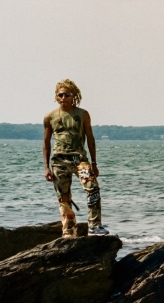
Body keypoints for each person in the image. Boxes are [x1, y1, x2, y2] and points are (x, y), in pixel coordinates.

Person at [42, 79, 108, 237]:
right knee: (64, 197)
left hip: (80, 160)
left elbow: (90, 138)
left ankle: (94, 225)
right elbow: (45, 142)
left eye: (67, 94)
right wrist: (46, 167)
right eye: (60, 95)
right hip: (59, 161)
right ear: (57, 97)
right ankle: (69, 229)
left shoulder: (82, 114)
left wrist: (94, 162)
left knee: (93, 189)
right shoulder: (49, 117)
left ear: (74, 96)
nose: (63, 97)